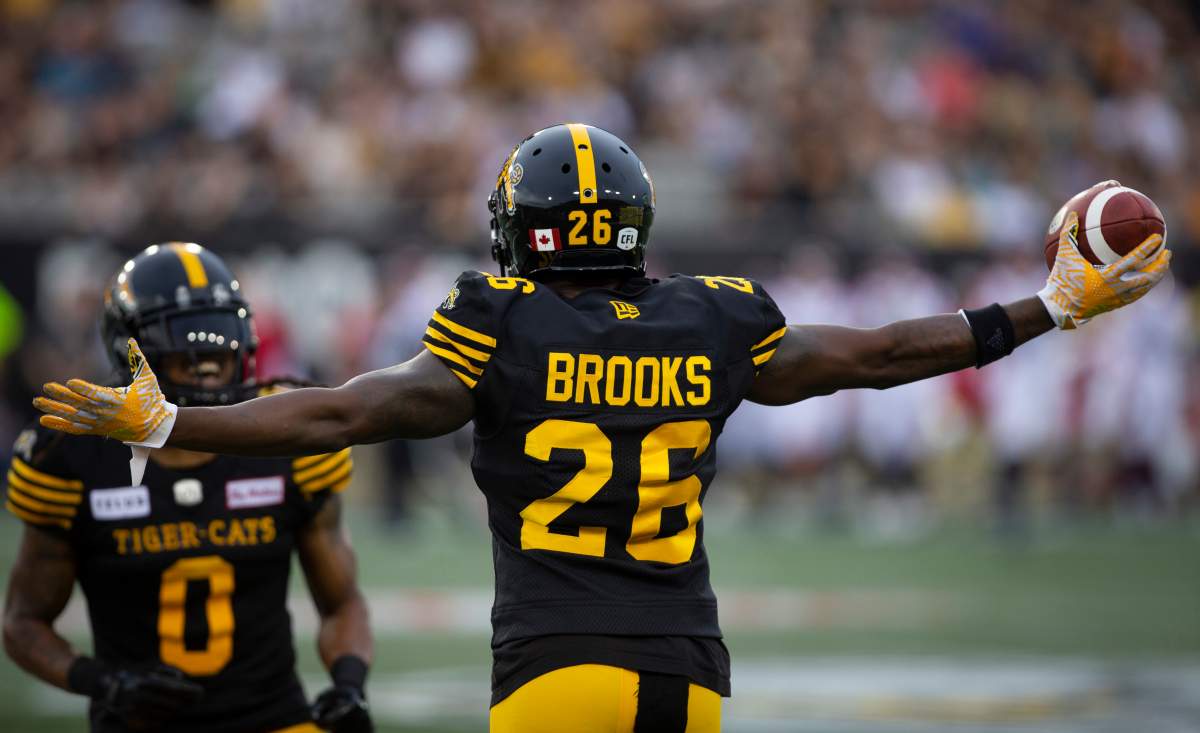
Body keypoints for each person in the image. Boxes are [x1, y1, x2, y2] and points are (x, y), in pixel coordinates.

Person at [32, 125, 1171, 733]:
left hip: (556, 674)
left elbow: (340, 409)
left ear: (518, 233)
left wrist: (176, 417)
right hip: (691, 677)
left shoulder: (496, 322)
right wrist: (1052, 305)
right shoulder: (715, 318)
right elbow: (880, 355)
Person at [7, 244, 374, 733]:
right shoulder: (71, 457)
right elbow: (22, 622)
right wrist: (104, 682)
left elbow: (342, 600)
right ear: (128, 346)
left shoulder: (287, 437)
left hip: (275, 720)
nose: (210, 359)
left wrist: (349, 683)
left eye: (223, 335)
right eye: (185, 340)